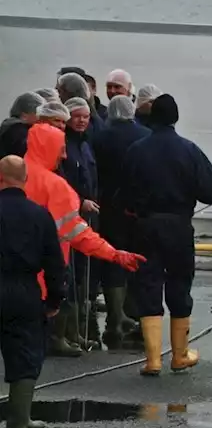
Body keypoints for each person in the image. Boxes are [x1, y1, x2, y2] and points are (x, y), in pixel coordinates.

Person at [21, 124, 145, 359]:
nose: (65, 155)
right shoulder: (56, 187)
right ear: (48, 147)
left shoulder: (10, 175)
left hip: (10, 274)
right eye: (61, 149)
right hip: (45, 276)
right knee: (28, 357)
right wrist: (115, 254)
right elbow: (79, 234)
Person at [119, 94, 212, 376]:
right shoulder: (190, 150)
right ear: (175, 118)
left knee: (148, 284)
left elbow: (123, 193)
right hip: (178, 226)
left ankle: (152, 360)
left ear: (151, 118)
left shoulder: (136, 150)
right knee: (179, 283)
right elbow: (208, 193)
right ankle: (179, 355)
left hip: (145, 226)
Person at [0, 156, 67, 428]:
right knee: (25, 354)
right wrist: (54, 299)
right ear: (25, 180)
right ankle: (18, 424)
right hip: (23, 290)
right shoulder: (39, 215)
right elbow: (55, 263)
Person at [91, 95, 150, 348]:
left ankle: (115, 316)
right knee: (136, 257)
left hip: (106, 207)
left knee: (113, 259)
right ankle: (133, 311)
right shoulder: (144, 135)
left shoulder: (99, 137)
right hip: (135, 209)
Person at [61, 98, 103, 351]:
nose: (82, 121)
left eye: (86, 117)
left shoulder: (86, 144)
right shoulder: (64, 145)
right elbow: (62, 183)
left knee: (81, 276)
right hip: (71, 215)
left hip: (88, 217)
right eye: (77, 116)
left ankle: (76, 332)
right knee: (71, 273)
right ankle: (65, 333)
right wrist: (80, 202)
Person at [1, 92, 46, 159]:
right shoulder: (18, 132)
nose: (41, 118)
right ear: (24, 115)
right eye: (38, 114)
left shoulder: (10, 126)